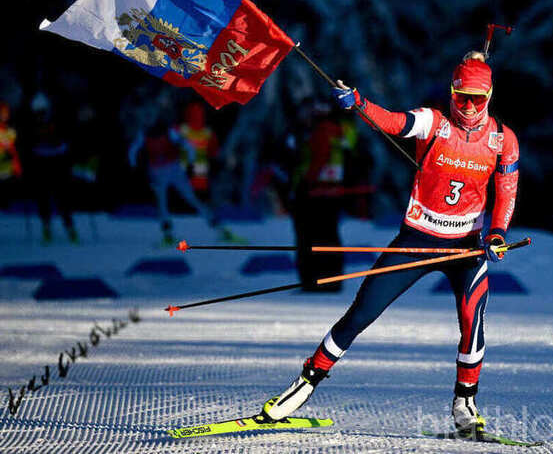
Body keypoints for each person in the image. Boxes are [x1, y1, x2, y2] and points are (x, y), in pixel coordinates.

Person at [262, 51, 519, 434]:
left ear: (490, 96)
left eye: (476, 99)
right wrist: (360, 103)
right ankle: (306, 381)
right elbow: (395, 122)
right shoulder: (435, 122)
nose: (467, 107)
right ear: (451, 92)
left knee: (473, 321)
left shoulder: (502, 139)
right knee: (362, 312)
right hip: (418, 239)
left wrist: (497, 234)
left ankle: (465, 402)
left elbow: (507, 189)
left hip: (466, 247)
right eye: (461, 97)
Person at [129, 111, 238, 245]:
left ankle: (219, 227)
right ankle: (168, 234)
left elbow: (187, 145)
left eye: (150, 117)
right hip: (157, 172)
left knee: (191, 198)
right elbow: (133, 150)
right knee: (162, 203)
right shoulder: (144, 134)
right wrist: (134, 164)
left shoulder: (168, 131)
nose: (148, 121)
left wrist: (191, 161)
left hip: (174, 169)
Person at [289, 99, 354, 291]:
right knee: (329, 236)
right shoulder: (340, 130)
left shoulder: (321, 131)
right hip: (332, 191)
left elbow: (318, 159)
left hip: (314, 192)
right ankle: (331, 280)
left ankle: (314, 280)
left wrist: (305, 183)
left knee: (310, 238)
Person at [25, 92, 79, 243]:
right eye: (37, 112)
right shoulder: (31, 123)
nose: (40, 115)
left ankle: (70, 228)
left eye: (42, 112)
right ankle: (46, 227)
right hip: (41, 162)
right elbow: (27, 142)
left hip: (57, 161)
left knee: (62, 197)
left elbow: (66, 138)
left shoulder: (58, 121)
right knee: (43, 197)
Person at [0, 101, 23, 210]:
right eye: (2, 113)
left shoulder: (10, 130)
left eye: (6, 113)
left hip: (7, 167)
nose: (4, 115)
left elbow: (13, 149)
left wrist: (16, 165)